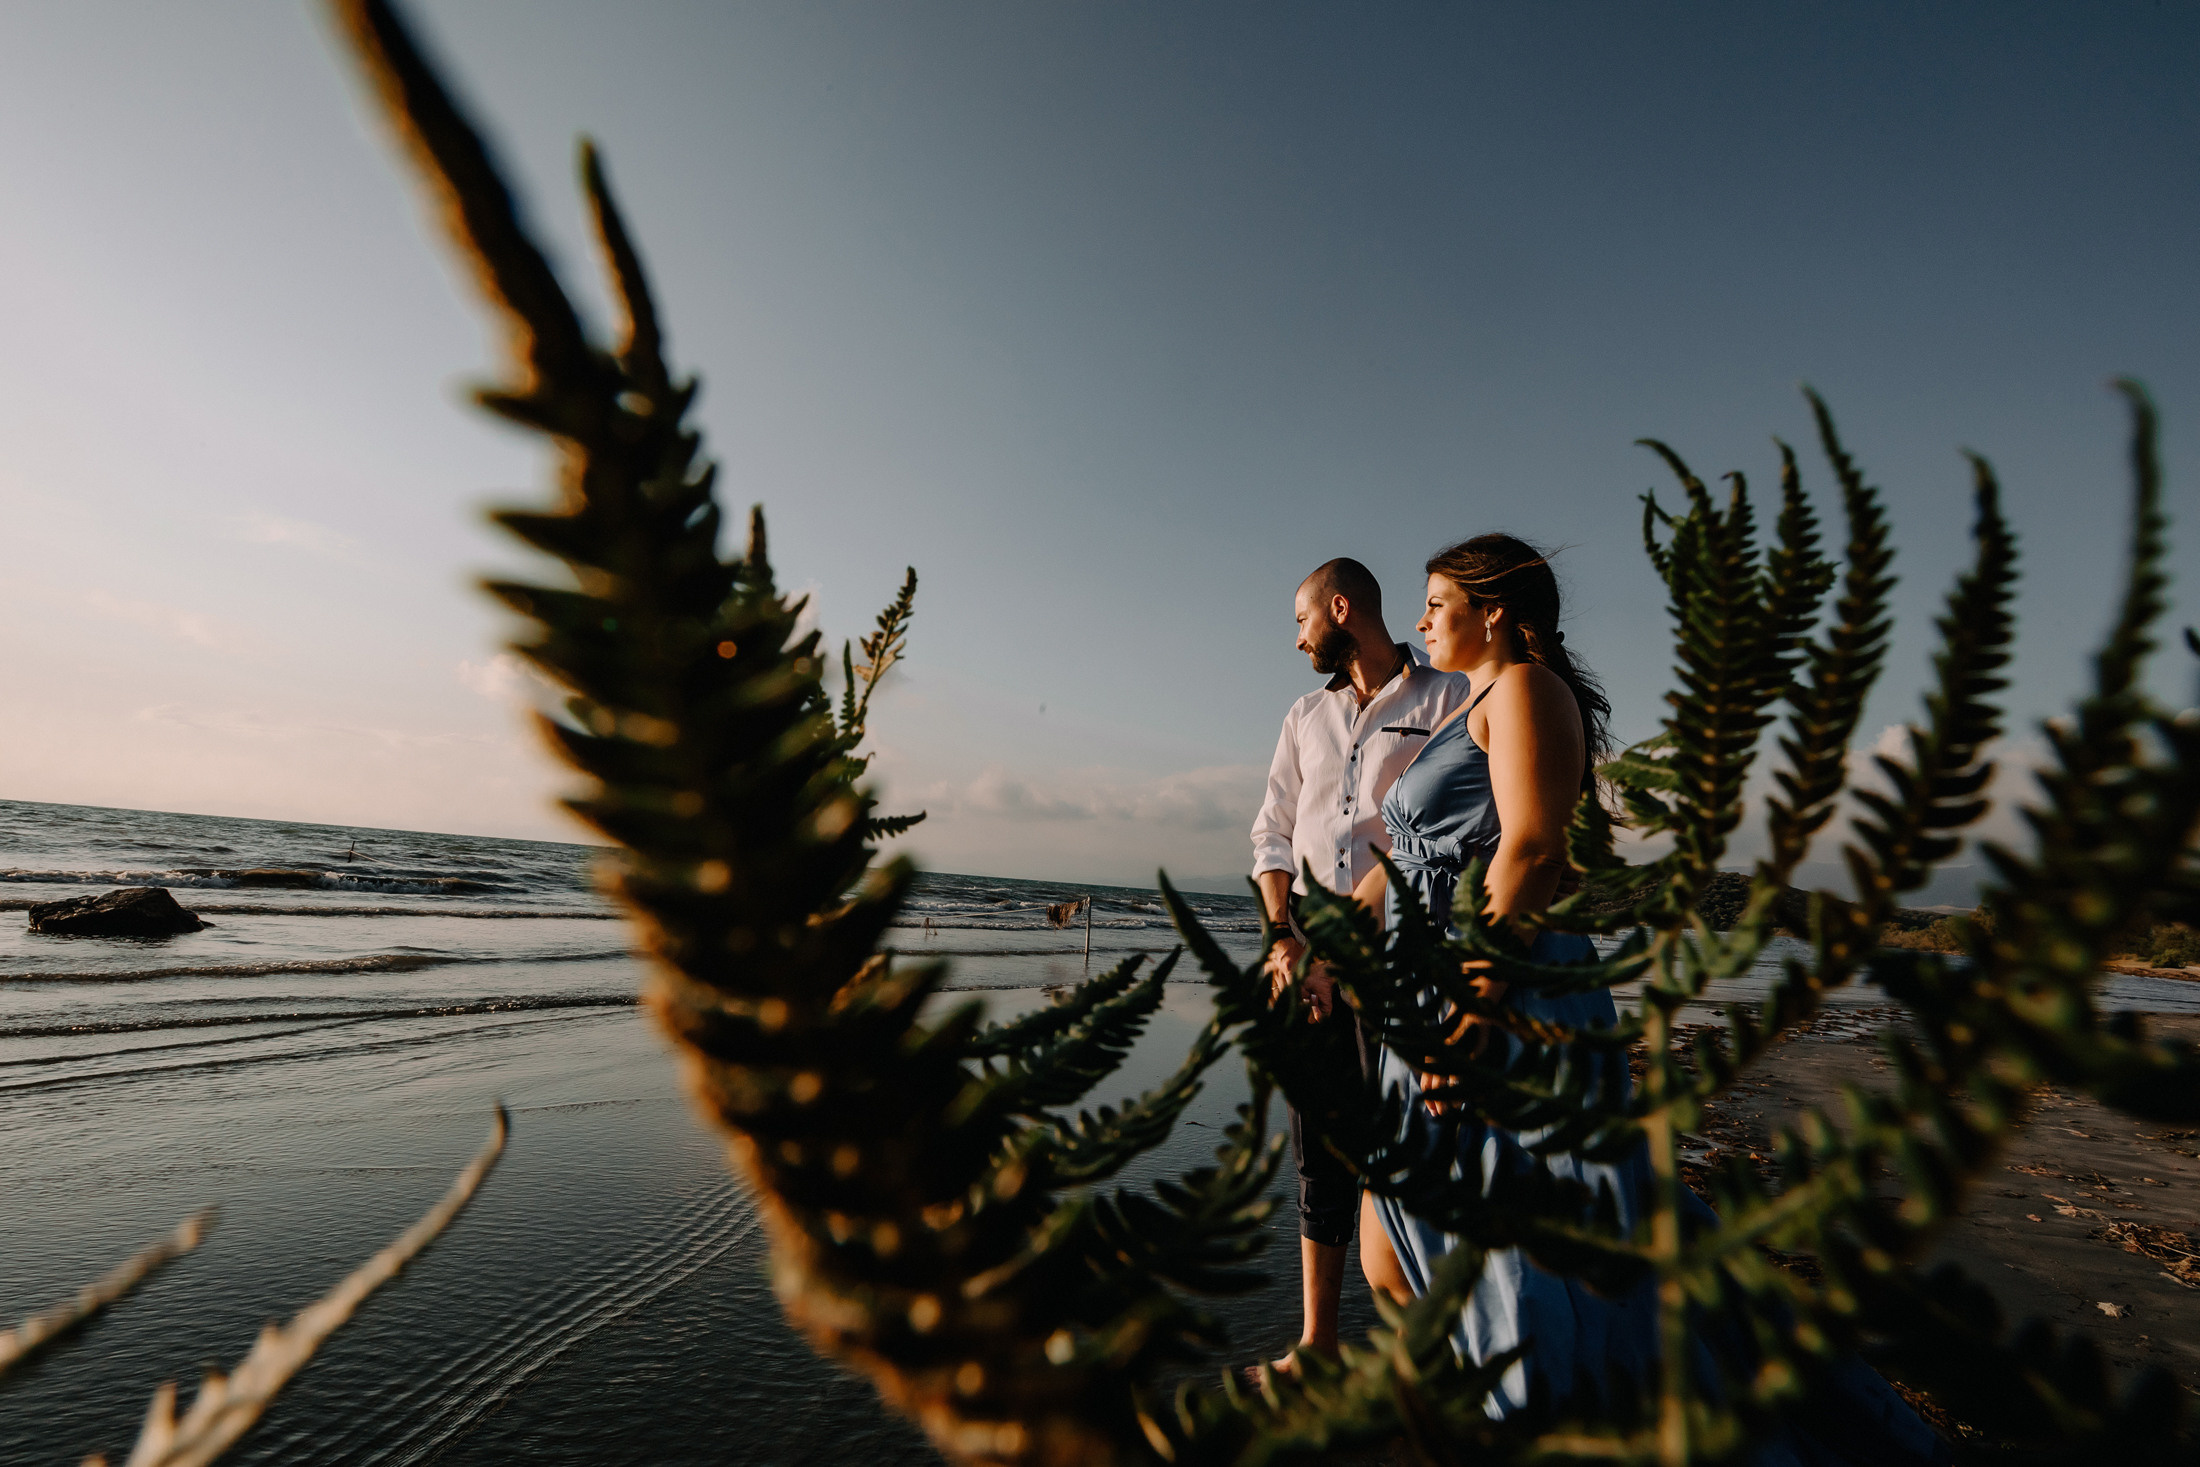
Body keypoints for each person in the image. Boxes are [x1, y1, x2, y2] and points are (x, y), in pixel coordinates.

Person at [1343, 534, 1945, 1463]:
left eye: (1436, 602)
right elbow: (1412, 859)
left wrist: (1470, 1005)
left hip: (1501, 993)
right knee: (1394, 1244)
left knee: (1520, 1256)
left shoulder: (1526, 691)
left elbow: (1531, 849)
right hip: (1428, 988)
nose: (1421, 621)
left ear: (1493, 612)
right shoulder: (1470, 703)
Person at [1249, 556, 1469, 1371]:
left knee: (1410, 1143)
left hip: (1403, 948)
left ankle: (1424, 1353)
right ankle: (1317, 1346)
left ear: (1340, 609)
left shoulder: (1447, 698)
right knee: (1320, 1144)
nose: (1297, 637)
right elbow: (1272, 833)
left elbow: (1450, 835)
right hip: (1304, 950)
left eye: (1302, 619)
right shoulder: (1304, 714)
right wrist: (1282, 936)